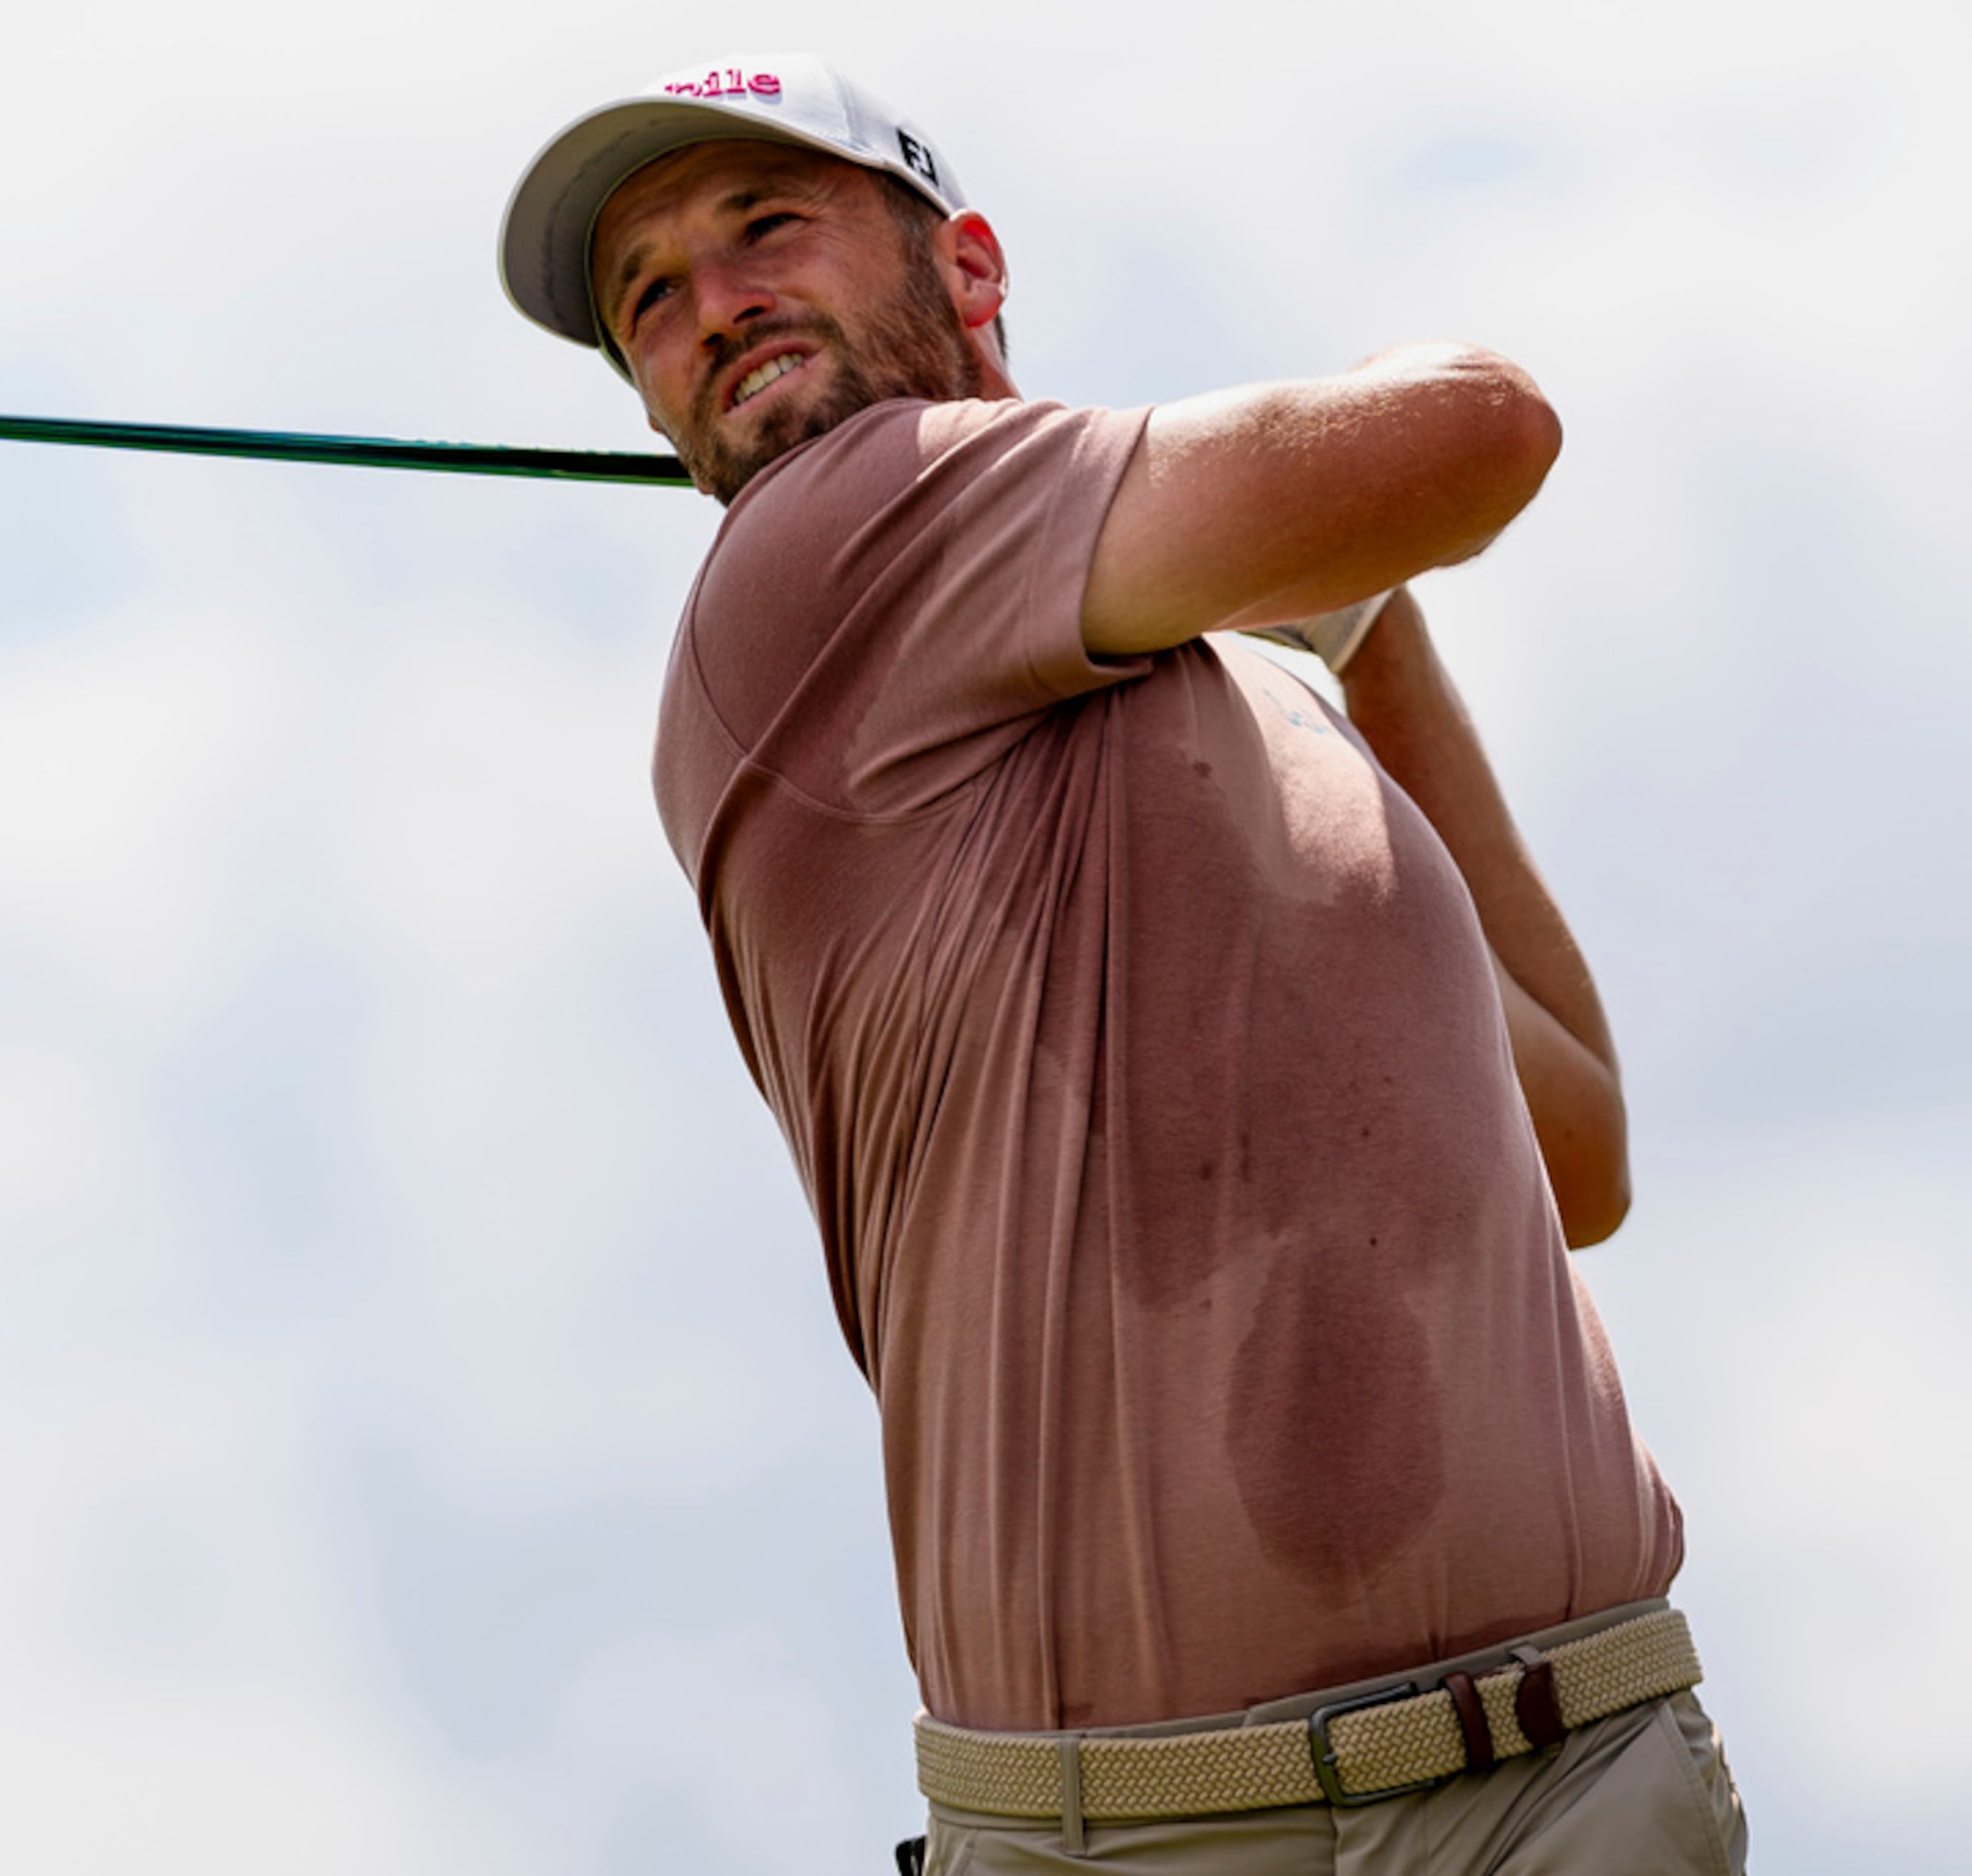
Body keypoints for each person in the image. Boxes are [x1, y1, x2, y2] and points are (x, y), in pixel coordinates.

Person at [498, 57, 1746, 1874]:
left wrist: (1344, 619)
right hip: (1144, 1842)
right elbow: (1485, 428)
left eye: (765, 227)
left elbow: (1576, 1149)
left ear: (972, 270)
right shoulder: (820, 543)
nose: (712, 306)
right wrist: (1300, 532)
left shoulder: (1242, 692)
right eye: (650, 299)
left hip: (1570, 1784)